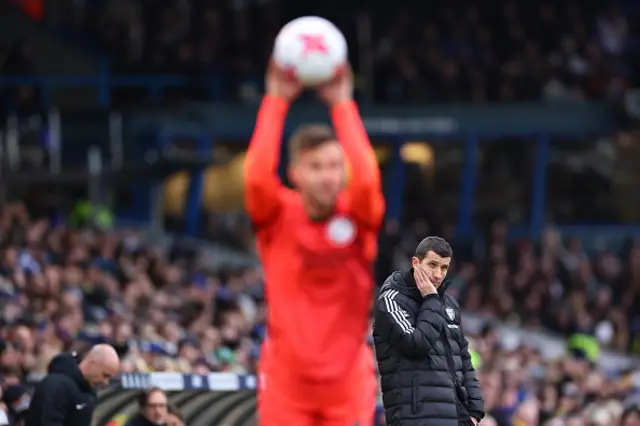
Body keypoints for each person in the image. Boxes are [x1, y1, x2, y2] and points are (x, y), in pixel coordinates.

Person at [244, 61, 384, 426]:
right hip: (286, 387)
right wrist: (275, 102)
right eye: (317, 166)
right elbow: (257, 177)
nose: (328, 176)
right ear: (295, 174)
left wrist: (343, 106)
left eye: (335, 165)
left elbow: (367, 180)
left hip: (347, 388)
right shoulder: (277, 218)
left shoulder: (359, 217)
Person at [372, 236, 485, 426]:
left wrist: (475, 411)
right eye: (432, 265)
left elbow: (463, 358)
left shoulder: (449, 304)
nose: (438, 275)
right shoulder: (391, 300)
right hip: (414, 416)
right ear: (415, 263)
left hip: (455, 417)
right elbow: (416, 344)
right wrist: (431, 298)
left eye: (444, 268)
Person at [25, 344, 120, 426]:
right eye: (105, 375)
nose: (106, 382)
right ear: (92, 364)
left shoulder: (87, 390)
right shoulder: (56, 385)